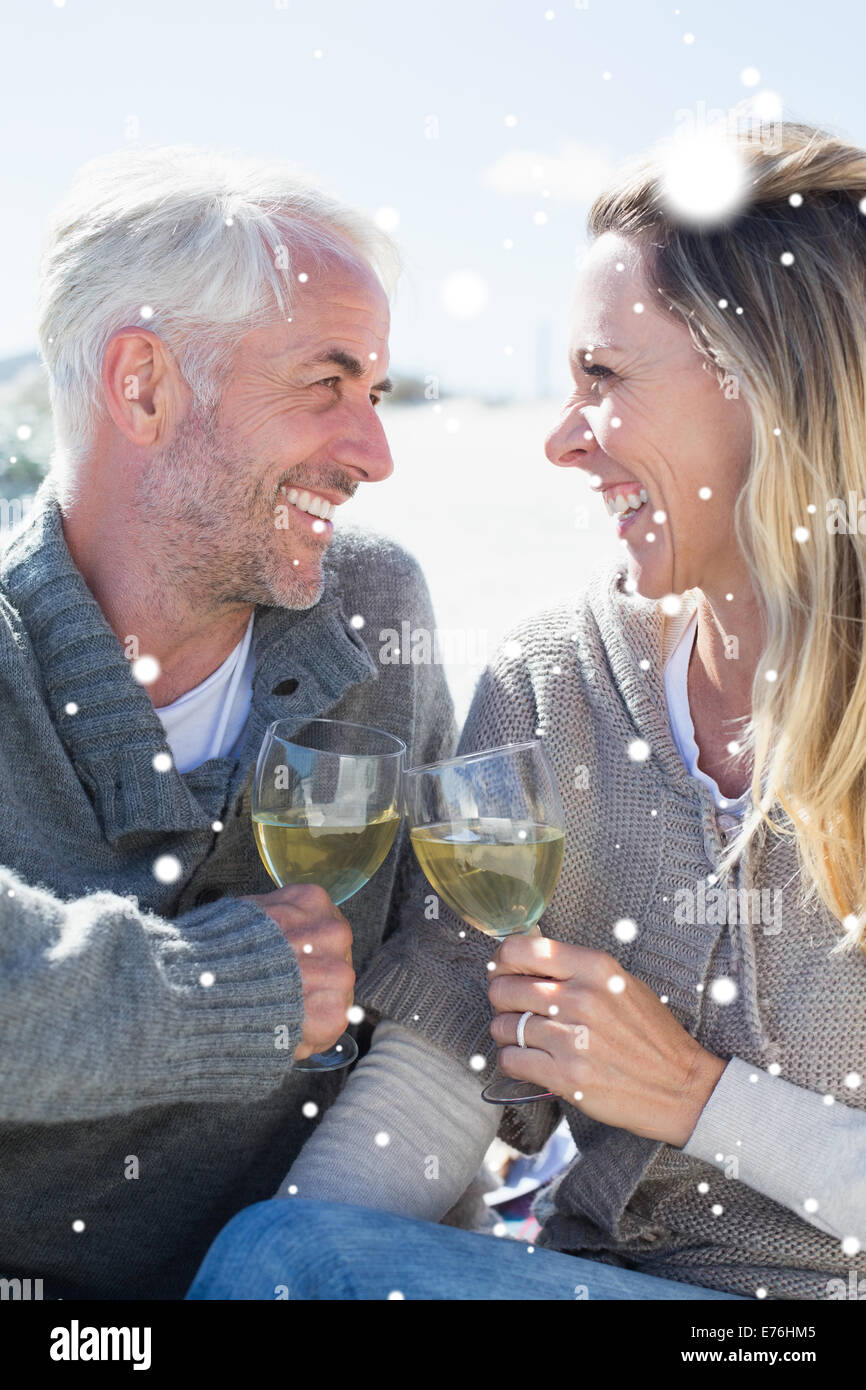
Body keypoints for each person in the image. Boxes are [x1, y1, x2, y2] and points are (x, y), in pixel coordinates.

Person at [188, 118, 866, 1302]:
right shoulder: (558, 681)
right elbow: (449, 1054)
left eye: (601, 377)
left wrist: (698, 1100)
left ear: (767, 386)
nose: (561, 439)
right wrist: (286, 1273)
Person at [0, 144, 472, 1300]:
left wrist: (294, 1257)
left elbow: (450, 962)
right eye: (326, 384)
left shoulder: (373, 610)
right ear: (144, 384)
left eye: (378, 393)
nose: (373, 452)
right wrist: (221, 990)